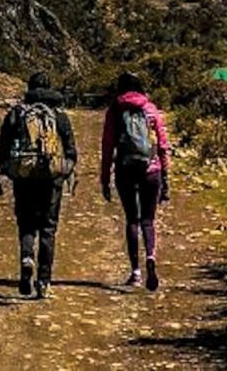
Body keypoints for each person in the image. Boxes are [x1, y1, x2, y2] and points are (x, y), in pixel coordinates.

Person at [0, 71, 78, 299]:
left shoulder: (17, 113)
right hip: (52, 178)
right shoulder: (59, 115)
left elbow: (3, 146)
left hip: (24, 176)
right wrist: (64, 168)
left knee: (26, 223)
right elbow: (72, 150)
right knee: (48, 227)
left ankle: (26, 258)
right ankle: (44, 281)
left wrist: (8, 169)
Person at [100, 71, 171, 291]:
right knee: (148, 220)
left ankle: (135, 272)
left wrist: (105, 178)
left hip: (125, 170)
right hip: (151, 171)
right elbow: (162, 144)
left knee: (132, 220)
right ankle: (150, 255)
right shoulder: (150, 109)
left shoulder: (115, 110)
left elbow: (107, 146)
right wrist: (165, 175)